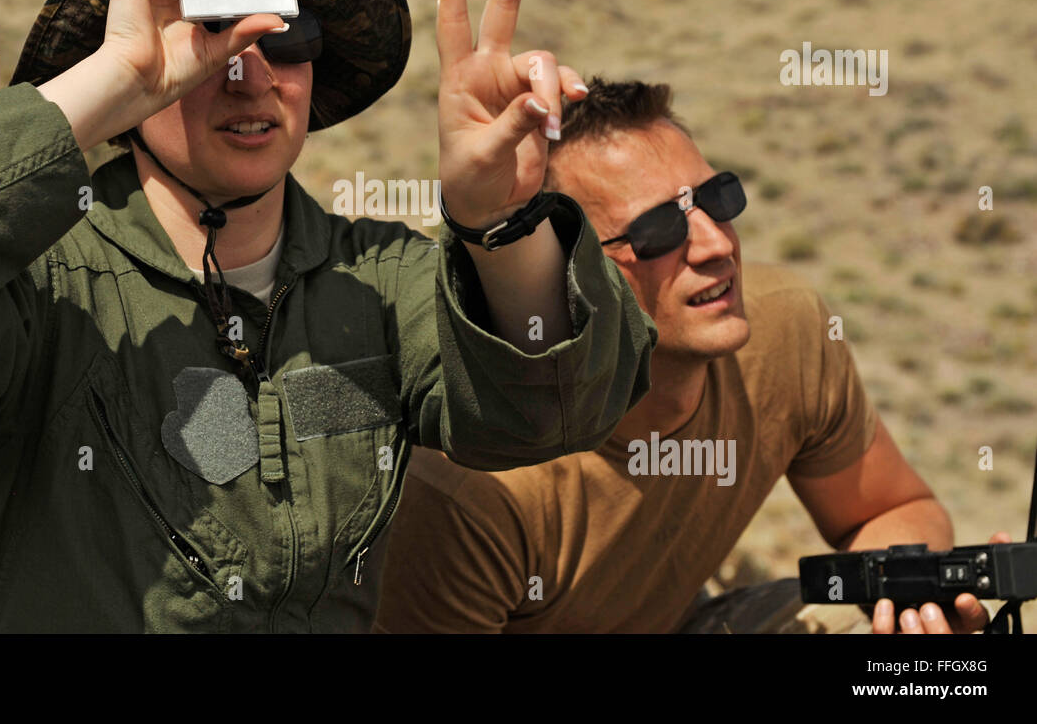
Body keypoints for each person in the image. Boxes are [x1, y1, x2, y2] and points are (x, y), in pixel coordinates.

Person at [0, 0, 657, 632]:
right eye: (209, 38)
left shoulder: (374, 284)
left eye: (285, 39)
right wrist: (117, 82)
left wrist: (498, 219)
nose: (252, 74)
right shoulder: (32, 289)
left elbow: (553, 408)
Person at [373, 77, 1006, 635]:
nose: (713, 245)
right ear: (563, 275)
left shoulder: (785, 328)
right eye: (658, 232)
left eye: (717, 199)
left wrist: (905, 602)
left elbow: (890, 509)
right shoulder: (470, 484)